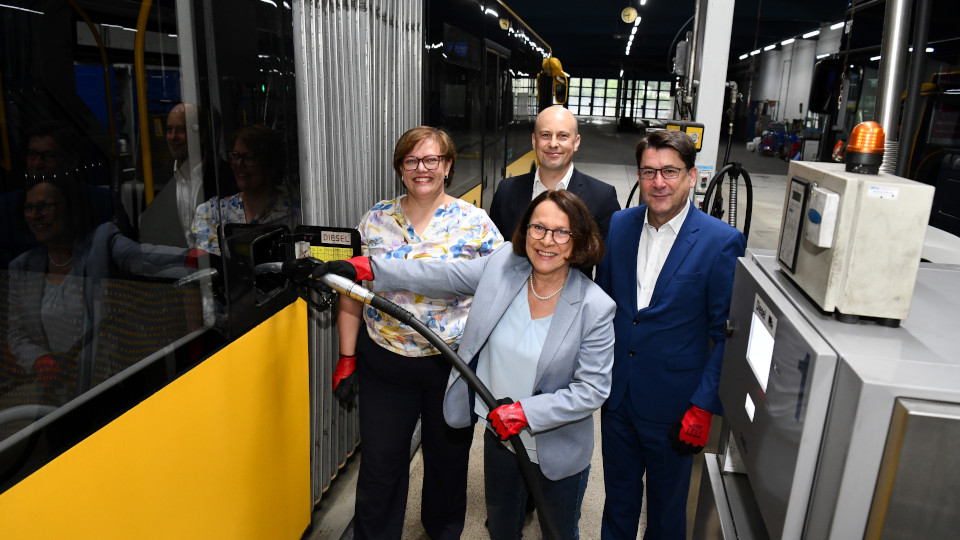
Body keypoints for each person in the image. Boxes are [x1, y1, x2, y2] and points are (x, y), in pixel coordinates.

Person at [324, 189, 613, 540]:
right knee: (503, 528)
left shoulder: (594, 307)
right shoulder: (505, 264)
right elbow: (439, 276)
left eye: (560, 232)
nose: (546, 241)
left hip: (557, 449)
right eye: (538, 228)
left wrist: (525, 413)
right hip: (500, 439)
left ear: (577, 241)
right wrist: (369, 267)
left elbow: (592, 389)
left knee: (559, 532)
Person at [333, 126, 503, 539]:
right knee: (380, 462)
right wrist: (347, 356)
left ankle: (441, 530)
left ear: (447, 166)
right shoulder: (375, 220)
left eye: (432, 160)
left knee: (447, 461)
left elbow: (502, 286)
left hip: (450, 366)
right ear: (400, 169)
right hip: (385, 363)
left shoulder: (474, 222)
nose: (421, 169)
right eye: (411, 161)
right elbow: (352, 293)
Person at [596, 129, 747, 540]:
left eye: (669, 172)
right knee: (619, 501)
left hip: (675, 406)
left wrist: (703, 405)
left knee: (666, 513)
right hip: (618, 397)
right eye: (648, 172)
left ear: (692, 176)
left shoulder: (720, 242)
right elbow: (605, 305)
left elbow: (726, 334)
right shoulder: (620, 225)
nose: (658, 182)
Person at [7, 177, 199, 403]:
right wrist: (39, 361)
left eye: (44, 207)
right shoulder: (22, 268)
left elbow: (142, 257)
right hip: (59, 397)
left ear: (68, 208)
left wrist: (192, 258)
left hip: (113, 387)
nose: (34, 215)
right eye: (29, 208)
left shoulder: (101, 242)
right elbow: (16, 335)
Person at [489, 105, 620, 242]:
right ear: (534, 141)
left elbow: (609, 260)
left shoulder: (602, 197)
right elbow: (493, 253)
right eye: (546, 135)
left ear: (576, 142)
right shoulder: (506, 191)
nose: (553, 144)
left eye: (562, 136)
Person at [191, 125, 298, 256]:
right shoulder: (211, 213)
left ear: (270, 164)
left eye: (248, 158)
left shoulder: (296, 213)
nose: (239, 164)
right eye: (236, 156)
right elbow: (207, 269)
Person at [139, 103, 211, 247]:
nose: (173, 137)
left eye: (180, 130)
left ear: (201, 135)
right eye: (169, 130)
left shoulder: (220, 176)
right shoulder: (155, 183)